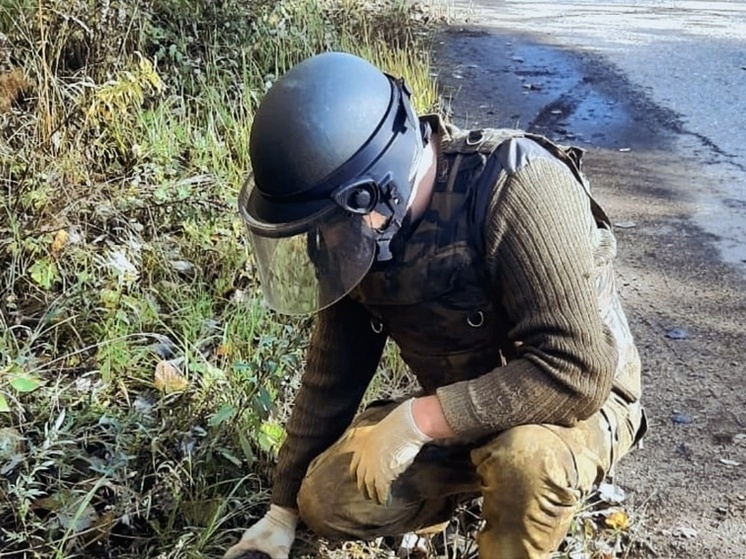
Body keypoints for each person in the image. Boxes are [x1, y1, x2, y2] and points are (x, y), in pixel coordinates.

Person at [225, 51, 646, 559]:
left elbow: (578, 372)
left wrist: (419, 421)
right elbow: (332, 371)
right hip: (460, 408)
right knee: (329, 499)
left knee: (523, 462)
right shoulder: (356, 229)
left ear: (373, 195)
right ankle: (461, 491)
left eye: (328, 228)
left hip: (574, 406)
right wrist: (282, 511)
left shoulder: (517, 186)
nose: (325, 243)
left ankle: (519, 510)